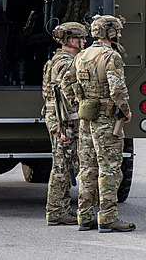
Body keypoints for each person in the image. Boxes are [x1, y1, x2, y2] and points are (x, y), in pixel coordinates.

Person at [61, 15, 135, 232]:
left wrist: (78, 103)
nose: (119, 35)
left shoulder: (82, 55)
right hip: (107, 120)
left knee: (87, 169)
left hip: (86, 120)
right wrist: (126, 111)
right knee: (109, 169)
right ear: (109, 33)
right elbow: (117, 89)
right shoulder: (111, 56)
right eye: (117, 32)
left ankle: (84, 217)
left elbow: (66, 83)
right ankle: (108, 217)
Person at [43, 22, 87, 226]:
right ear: (71, 40)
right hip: (63, 119)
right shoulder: (66, 63)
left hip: (60, 118)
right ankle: (56, 211)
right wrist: (66, 125)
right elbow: (63, 96)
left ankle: (60, 208)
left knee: (65, 163)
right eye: (81, 39)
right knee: (62, 165)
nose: (85, 42)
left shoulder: (58, 60)